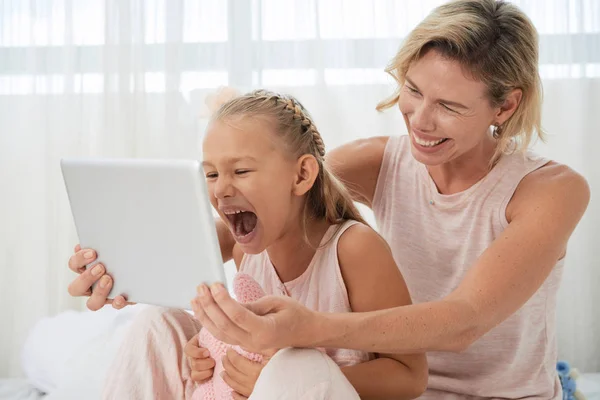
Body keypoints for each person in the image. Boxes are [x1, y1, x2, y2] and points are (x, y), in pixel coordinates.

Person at [67, 0, 590, 398]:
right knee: (155, 325)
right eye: (412, 90)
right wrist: (125, 269)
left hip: (478, 393)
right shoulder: (380, 159)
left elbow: (465, 319)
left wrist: (308, 332)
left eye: (449, 106)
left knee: (295, 365)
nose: (419, 120)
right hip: (369, 391)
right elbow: (260, 216)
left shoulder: (550, 191)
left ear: (506, 103)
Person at [69, 89, 428, 399]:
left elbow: (410, 376)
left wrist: (281, 381)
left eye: (240, 171)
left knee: (296, 363)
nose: (220, 189)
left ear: (301, 175)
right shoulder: (245, 248)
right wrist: (204, 353)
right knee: (158, 322)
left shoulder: (354, 249)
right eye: (210, 174)